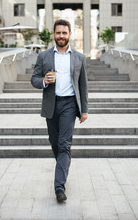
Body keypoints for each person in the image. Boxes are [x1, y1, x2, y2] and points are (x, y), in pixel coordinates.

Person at [31, 19, 88, 203]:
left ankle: (59, 188)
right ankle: (62, 168)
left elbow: (83, 85)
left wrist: (84, 110)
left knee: (64, 145)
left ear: (70, 35)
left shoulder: (79, 57)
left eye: (64, 33)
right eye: (58, 33)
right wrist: (44, 81)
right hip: (51, 105)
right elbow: (34, 79)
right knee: (54, 142)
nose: (61, 36)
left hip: (70, 105)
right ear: (54, 34)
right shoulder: (44, 56)